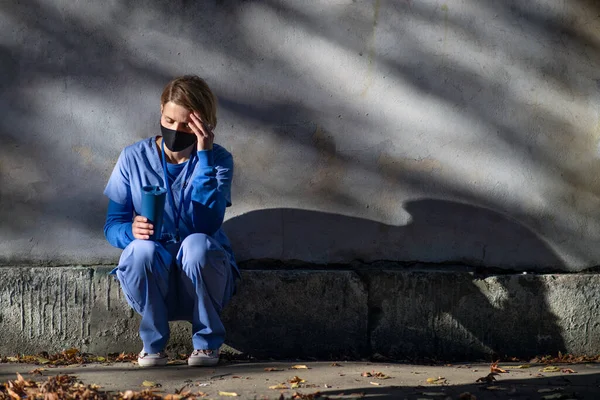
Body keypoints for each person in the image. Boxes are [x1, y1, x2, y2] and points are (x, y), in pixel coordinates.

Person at [103, 75, 239, 367]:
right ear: (161, 110)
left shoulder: (219, 160)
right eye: (169, 120)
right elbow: (112, 226)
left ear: (205, 123)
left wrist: (204, 158)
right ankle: (152, 345)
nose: (175, 130)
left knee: (197, 244)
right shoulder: (132, 158)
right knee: (141, 250)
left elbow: (206, 224)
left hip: (202, 279)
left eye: (186, 125)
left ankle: (206, 344)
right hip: (155, 280)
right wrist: (131, 230)